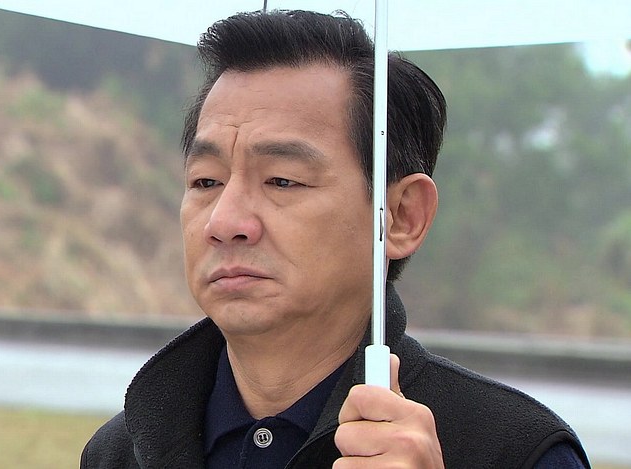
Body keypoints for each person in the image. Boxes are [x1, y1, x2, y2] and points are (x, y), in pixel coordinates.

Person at [80, 9, 589, 469]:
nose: (225, 220)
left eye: (282, 180)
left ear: (402, 216)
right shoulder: (119, 453)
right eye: (206, 181)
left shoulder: (517, 451)